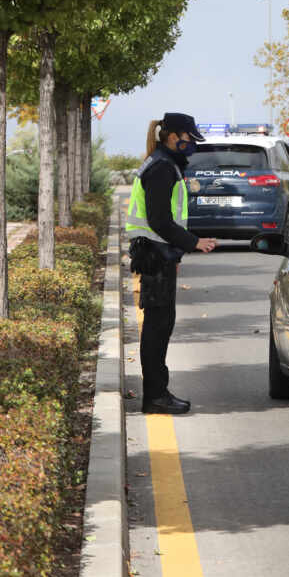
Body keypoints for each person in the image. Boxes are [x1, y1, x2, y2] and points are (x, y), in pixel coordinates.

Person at [123, 113, 219, 415]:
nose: (191, 144)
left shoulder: (163, 163)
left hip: (158, 253)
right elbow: (160, 220)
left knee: (160, 325)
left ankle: (158, 393)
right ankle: (155, 396)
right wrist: (193, 242)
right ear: (172, 136)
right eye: (189, 138)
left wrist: (176, 252)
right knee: (157, 327)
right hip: (154, 254)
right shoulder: (162, 167)